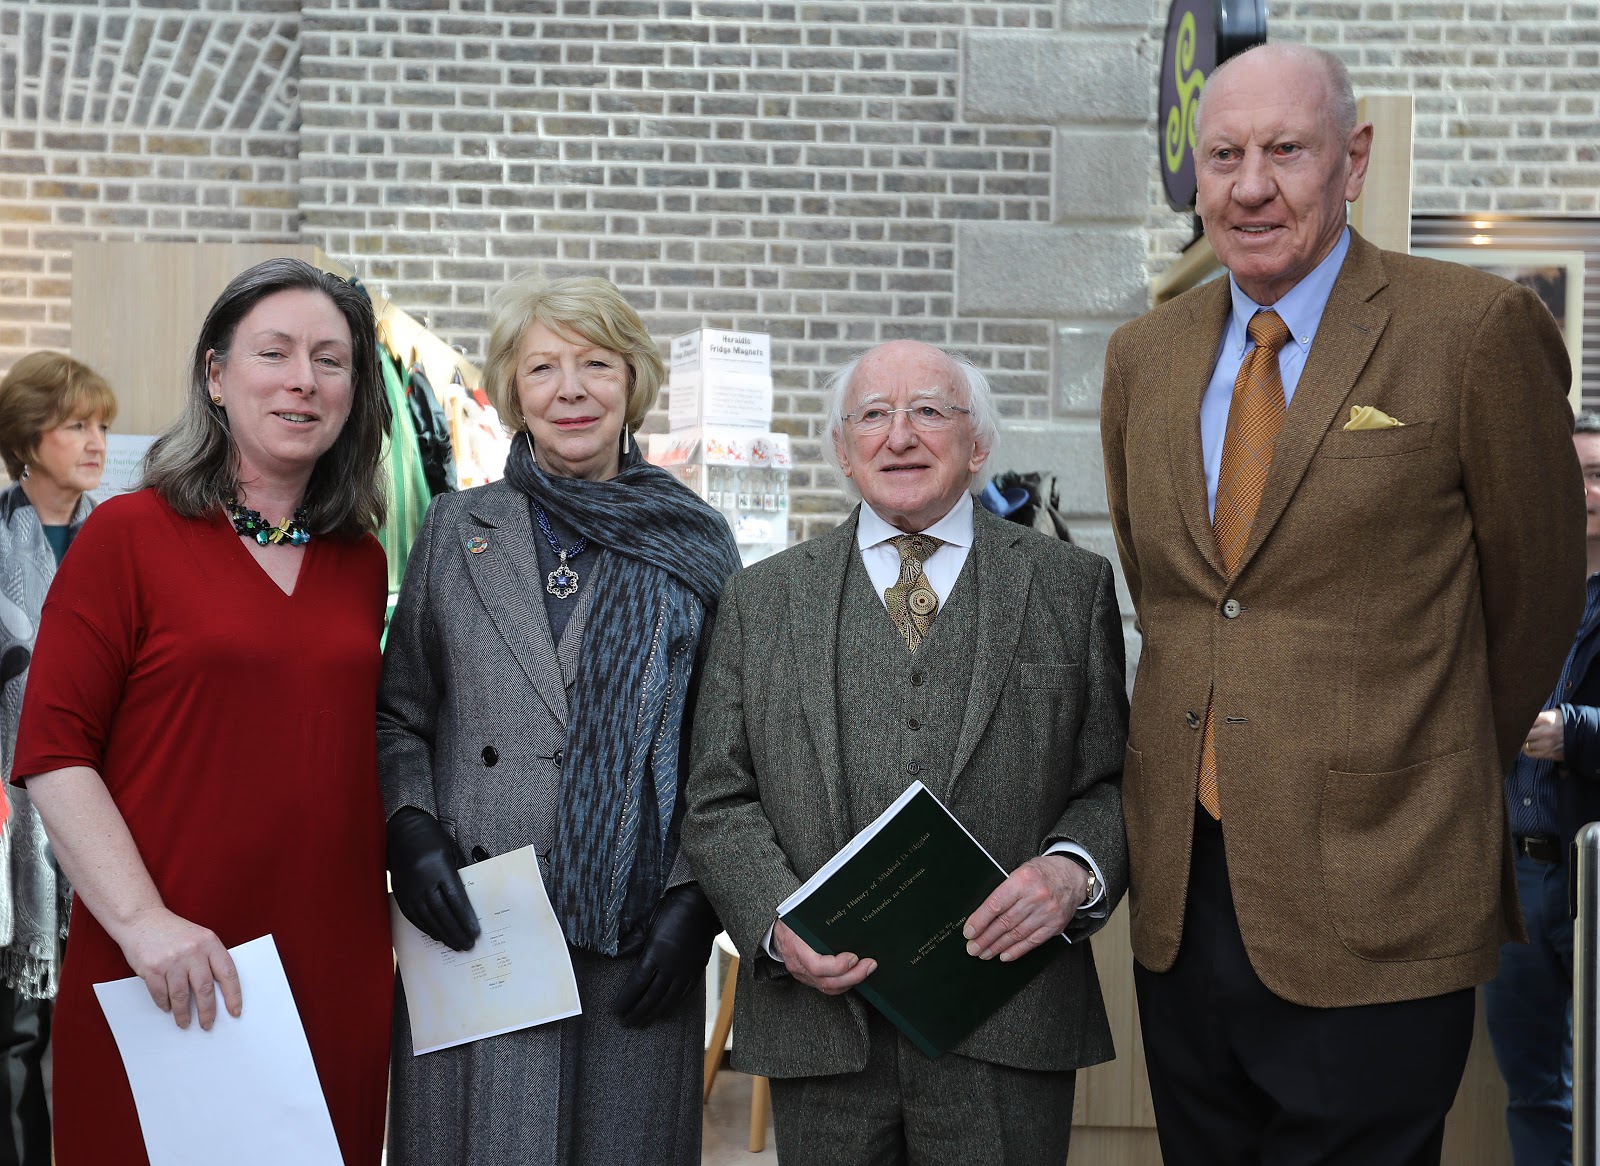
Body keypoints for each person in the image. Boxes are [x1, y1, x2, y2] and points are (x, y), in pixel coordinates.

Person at [1100, 42, 1585, 1166]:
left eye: (1286, 150)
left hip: (1381, 872)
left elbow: (1536, 593)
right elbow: (1174, 591)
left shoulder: (1470, 331)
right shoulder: (1145, 356)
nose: (1251, 185)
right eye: (1223, 156)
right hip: (1185, 885)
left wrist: (1420, 754)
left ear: (1352, 158)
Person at [682, 339, 1128, 1166]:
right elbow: (715, 797)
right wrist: (779, 924)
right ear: (843, 452)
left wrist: (1072, 873)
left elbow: (1113, 783)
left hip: (1010, 1015)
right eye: (873, 416)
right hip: (824, 1028)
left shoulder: (1072, 588)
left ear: (978, 443)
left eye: (928, 410)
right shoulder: (761, 599)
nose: (900, 436)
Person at [10, 258, 396, 1165]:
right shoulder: (127, 536)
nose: (303, 378)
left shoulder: (359, 560)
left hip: (330, 967)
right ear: (217, 376)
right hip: (165, 966)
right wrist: (144, 924)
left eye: (331, 360)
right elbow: (53, 752)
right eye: (275, 352)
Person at [378, 272, 740, 1166]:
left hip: (634, 935)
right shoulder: (458, 529)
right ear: (511, 391)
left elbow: (728, 745)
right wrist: (409, 825)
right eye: (542, 367)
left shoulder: (697, 540)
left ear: (633, 383)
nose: (570, 388)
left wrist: (696, 897)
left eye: (595, 363)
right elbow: (399, 713)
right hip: (476, 925)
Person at [0, 352, 116, 1166]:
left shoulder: (124, 541)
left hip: (117, 810)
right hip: (13, 822)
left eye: (102, 424)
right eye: (76, 424)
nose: (96, 441)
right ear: (27, 437)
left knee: (107, 1013)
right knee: (17, 1027)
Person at [1486, 411, 1600, 1166]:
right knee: (1532, 1088)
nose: (1585, 491)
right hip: (1517, 883)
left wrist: (1579, 732)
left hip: (1598, 869)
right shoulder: (1514, 591)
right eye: (1574, 474)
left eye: (1597, 474)